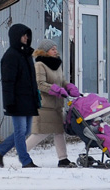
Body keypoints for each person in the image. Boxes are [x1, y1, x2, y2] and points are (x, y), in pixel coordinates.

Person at [0, 23, 39, 168]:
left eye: (27, 35)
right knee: (20, 131)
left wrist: (35, 98)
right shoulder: (10, 56)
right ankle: (25, 161)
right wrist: (9, 102)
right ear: (16, 36)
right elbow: (8, 82)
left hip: (28, 100)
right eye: (23, 35)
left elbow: (32, 80)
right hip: (17, 100)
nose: (26, 38)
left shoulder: (26, 55)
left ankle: (0, 150)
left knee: (26, 131)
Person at [25, 39, 77, 167]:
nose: (55, 51)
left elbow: (62, 81)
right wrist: (56, 89)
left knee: (59, 131)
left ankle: (63, 159)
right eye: (52, 49)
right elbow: (39, 84)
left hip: (57, 105)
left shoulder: (57, 64)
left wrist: (69, 86)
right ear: (45, 51)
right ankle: (23, 154)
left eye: (55, 48)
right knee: (41, 132)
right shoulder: (39, 65)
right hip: (44, 105)